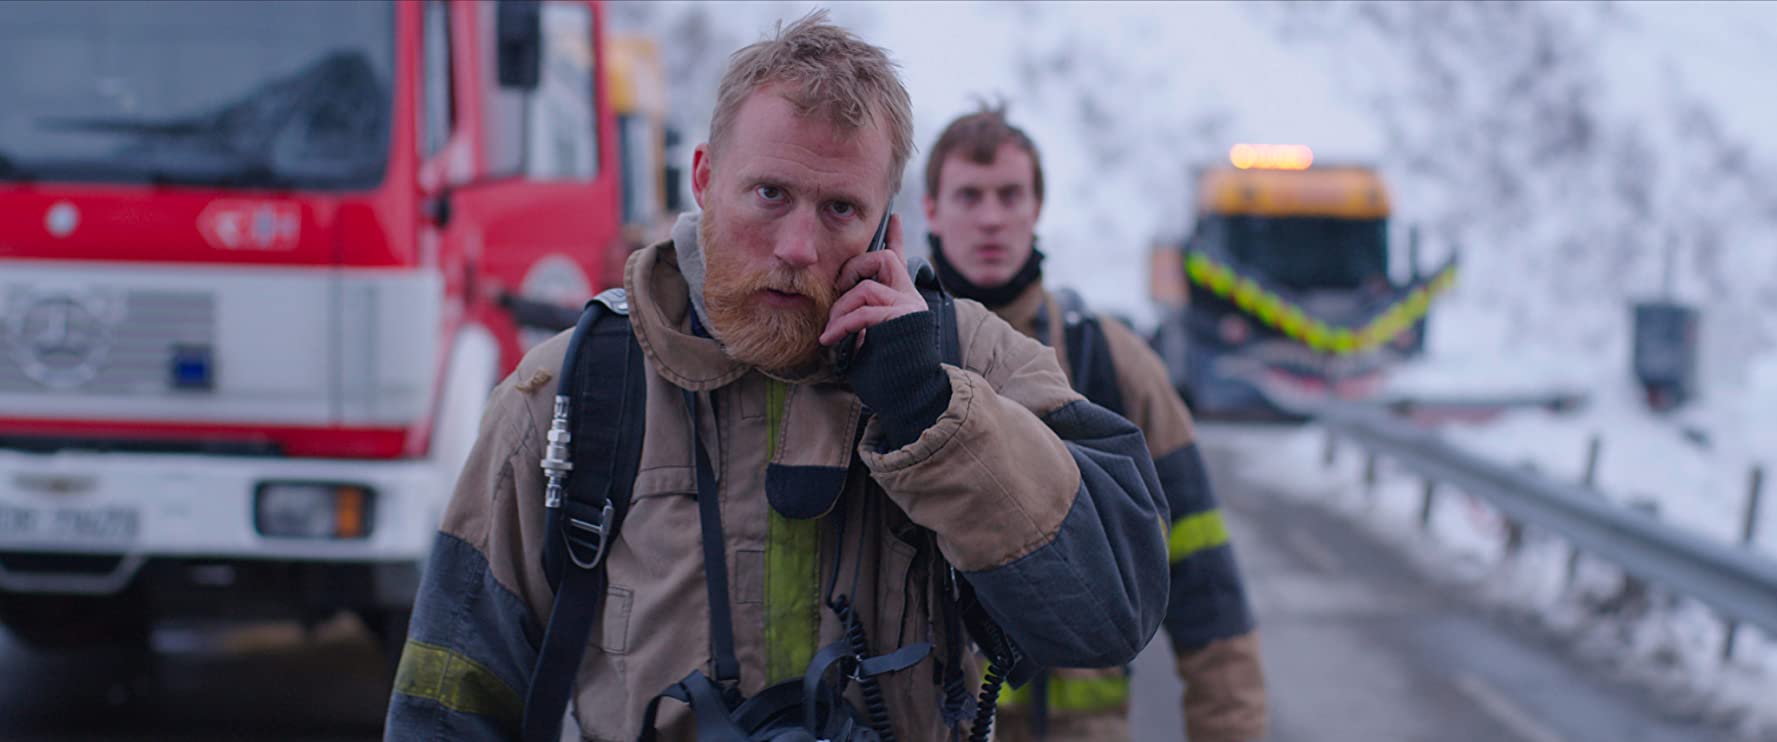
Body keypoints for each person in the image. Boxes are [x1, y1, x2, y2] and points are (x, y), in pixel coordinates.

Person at [386, 13, 1170, 742]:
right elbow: (446, 701)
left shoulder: (970, 362)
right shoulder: (569, 391)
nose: (796, 245)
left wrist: (933, 416)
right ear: (703, 179)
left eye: (838, 209)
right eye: (769, 194)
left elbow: (1111, 615)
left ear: (886, 227)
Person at [922, 106, 1268, 742]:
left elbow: (1204, 581)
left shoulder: (1110, 362)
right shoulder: (894, 361)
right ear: (932, 211)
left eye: (1010, 195)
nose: (992, 217)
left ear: (1037, 208)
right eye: (969, 195)